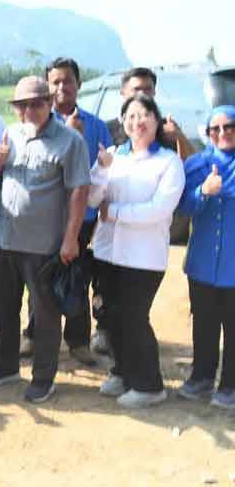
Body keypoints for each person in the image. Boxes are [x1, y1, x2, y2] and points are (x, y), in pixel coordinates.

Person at [0, 76, 90, 404]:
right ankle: (6, 365)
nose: (29, 110)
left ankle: (44, 377)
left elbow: (78, 192)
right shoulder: (10, 134)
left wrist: (71, 239)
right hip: (4, 238)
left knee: (45, 315)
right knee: (3, 307)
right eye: (22, 105)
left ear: (49, 103)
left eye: (35, 103)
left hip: (44, 247)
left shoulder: (70, 141)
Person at [88, 94, 184, 408]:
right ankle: (123, 372)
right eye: (130, 116)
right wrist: (101, 170)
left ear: (157, 121)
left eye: (144, 115)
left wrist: (114, 212)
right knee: (109, 316)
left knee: (133, 317)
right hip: (107, 251)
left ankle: (148, 385)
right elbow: (92, 199)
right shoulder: (113, 155)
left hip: (143, 257)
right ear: (123, 122)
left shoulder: (168, 162)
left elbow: (159, 210)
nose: (137, 121)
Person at [19, 58, 112, 366]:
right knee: (38, 278)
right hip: (44, 219)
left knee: (75, 278)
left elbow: (106, 170)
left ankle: (78, 341)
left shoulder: (96, 125)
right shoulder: (38, 124)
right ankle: (33, 334)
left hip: (81, 218)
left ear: (79, 84)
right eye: (55, 82)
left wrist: (103, 209)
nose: (61, 87)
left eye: (67, 81)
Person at [177, 105, 235, 410]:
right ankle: (201, 377)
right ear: (208, 133)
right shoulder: (197, 165)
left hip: (233, 267)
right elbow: (184, 207)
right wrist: (204, 191)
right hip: (201, 264)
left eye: (230, 128)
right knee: (204, 324)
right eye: (216, 129)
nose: (223, 134)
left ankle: (230, 385)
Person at [107, 67, 195, 160]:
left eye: (148, 89)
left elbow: (191, 163)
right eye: (136, 89)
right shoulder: (108, 130)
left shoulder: (166, 127)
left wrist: (179, 137)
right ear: (123, 93)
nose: (142, 94)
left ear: (154, 92)